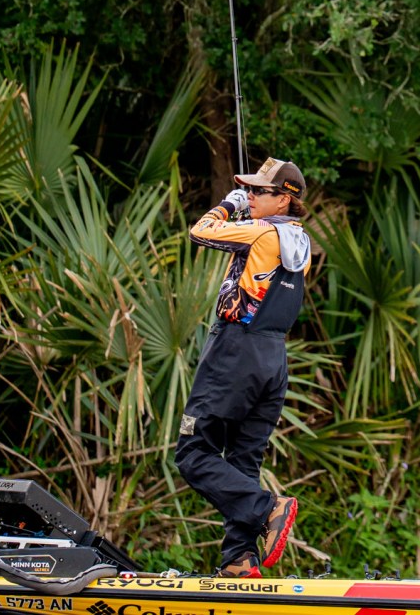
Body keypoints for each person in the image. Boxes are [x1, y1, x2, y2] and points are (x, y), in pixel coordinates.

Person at [175, 157, 311, 578]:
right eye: (246, 190)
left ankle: (266, 507)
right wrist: (247, 208)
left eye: (258, 191)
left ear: (284, 199)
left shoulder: (262, 232)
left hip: (236, 350)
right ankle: (239, 558)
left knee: (192, 453)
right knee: (243, 462)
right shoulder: (300, 241)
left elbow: (200, 231)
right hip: (273, 359)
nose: (250, 195)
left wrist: (229, 205)